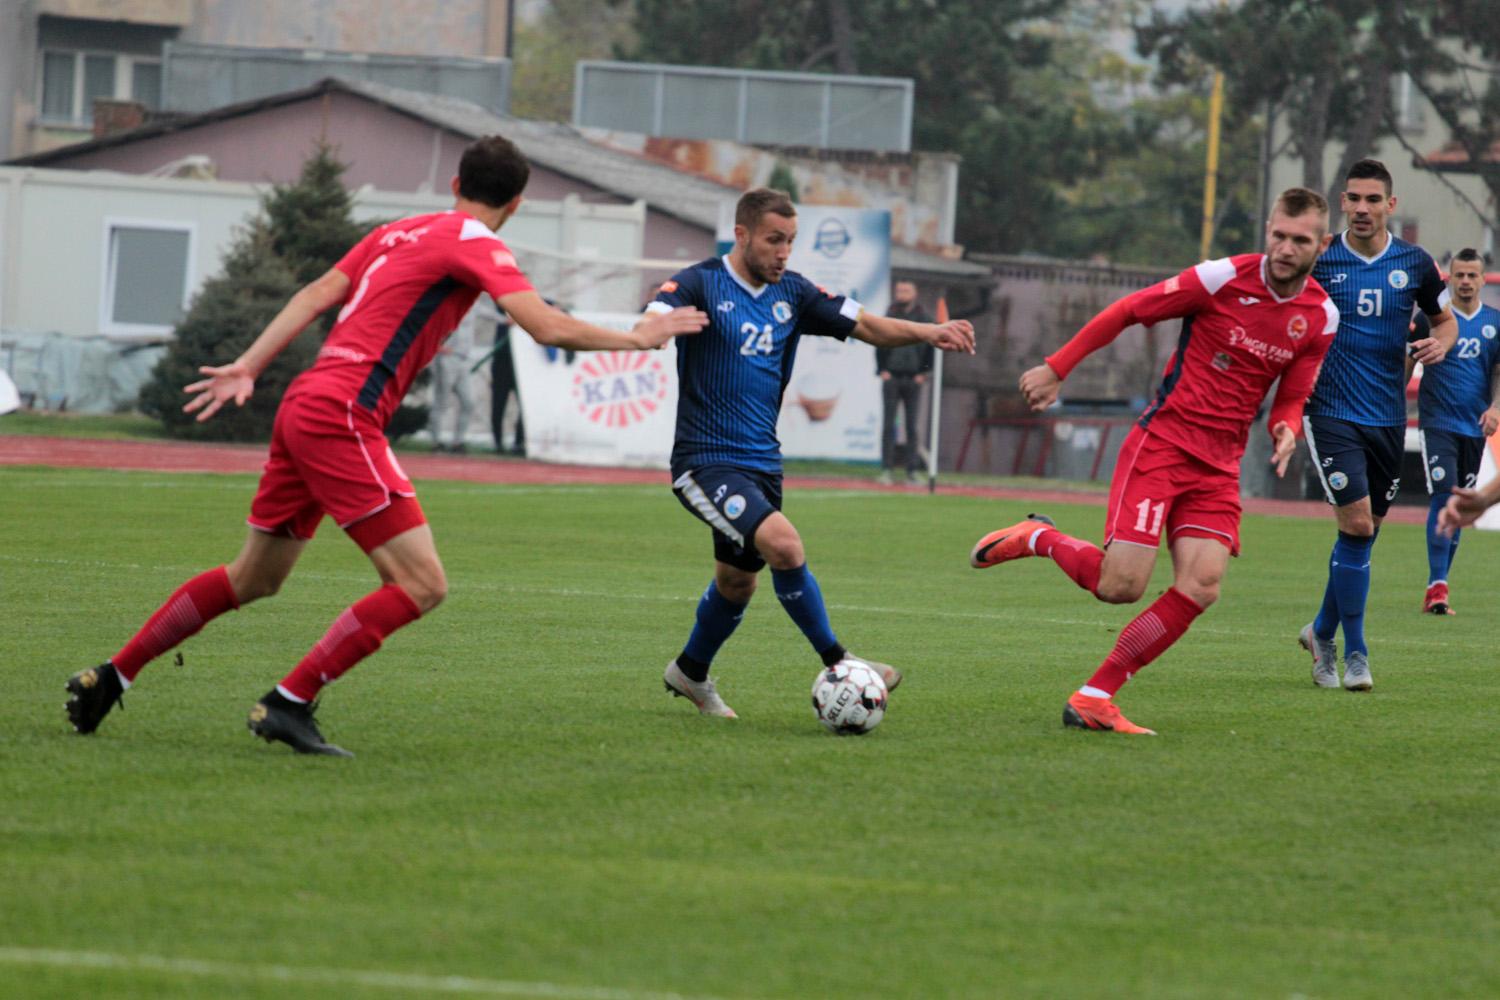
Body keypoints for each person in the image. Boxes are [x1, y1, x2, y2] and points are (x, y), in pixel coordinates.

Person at [63, 135, 707, 755]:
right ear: (516, 205)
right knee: (421, 583)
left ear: (456, 184)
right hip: (343, 414)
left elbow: (317, 294)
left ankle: (111, 676)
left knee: (254, 577)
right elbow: (541, 324)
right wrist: (639, 337)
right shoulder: (476, 240)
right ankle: (290, 700)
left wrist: (249, 364)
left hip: (304, 404)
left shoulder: (397, 231)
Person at [969, 187, 1340, 735]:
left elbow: (1290, 395)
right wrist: (1057, 366)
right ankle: (1037, 538)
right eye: (1279, 235)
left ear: (1321, 245)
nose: (1286, 248)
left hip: (1219, 465)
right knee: (1121, 586)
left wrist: (1285, 428)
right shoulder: (1219, 279)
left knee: (1203, 584)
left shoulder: (1320, 317)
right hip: (1163, 445)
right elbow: (1129, 310)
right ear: (1267, 230)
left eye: (1300, 240)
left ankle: (1096, 695)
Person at [647, 187, 975, 718]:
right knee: (785, 544)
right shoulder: (700, 283)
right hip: (704, 462)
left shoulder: (794, 294)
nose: (783, 252)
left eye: (791, 242)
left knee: (737, 583)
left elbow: (866, 324)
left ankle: (689, 672)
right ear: (742, 235)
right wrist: (653, 329)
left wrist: (929, 331)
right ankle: (840, 661)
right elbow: (656, 313)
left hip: (761, 464)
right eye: (774, 240)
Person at [1297, 159, 1455, 691]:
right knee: (1358, 526)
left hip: (1388, 416)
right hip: (1331, 411)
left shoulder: (1414, 262)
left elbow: (1445, 319)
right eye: (1353, 199)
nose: (1362, 208)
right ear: (1342, 203)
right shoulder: (1321, 259)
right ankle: (1355, 653)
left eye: (1373, 200)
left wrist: (1442, 342)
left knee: (1362, 537)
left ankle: (1321, 631)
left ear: (1391, 205)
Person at [1415, 248, 1500, 614]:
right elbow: (1408, 359)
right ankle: (1438, 585)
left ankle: (1439, 584)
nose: (1466, 281)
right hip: (1437, 423)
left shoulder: (1495, 323)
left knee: (1461, 500)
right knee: (1442, 494)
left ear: (1483, 279)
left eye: (1472, 275)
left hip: (1473, 426)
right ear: (1449, 278)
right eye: (1459, 275)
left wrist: (1495, 407)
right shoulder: (1430, 319)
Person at [876, 279, 935, 485]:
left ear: (914, 293)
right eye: (899, 290)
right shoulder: (890, 316)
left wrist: (924, 373)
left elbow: (931, 346)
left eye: (906, 290)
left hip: (913, 379)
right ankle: (886, 469)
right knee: (888, 424)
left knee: (912, 426)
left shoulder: (924, 318)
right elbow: (878, 340)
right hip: (891, 377)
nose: (902, 294)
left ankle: (911, 471)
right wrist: (882, 369)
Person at [427, 307, 477, 452]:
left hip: (463, 359)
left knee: (468, 401)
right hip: (446, 359)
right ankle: (436, 441)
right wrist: (436, 345)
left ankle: (458, 441)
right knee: (442, 401)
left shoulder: (475, 305)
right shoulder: (448, 303)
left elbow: (494, 313)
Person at [486, 314, 525, 455]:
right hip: (501, 368)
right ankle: (498, 443)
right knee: (498, 406)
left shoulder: (526, 318)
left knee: (524, 407)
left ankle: (519, 442)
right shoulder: (501, 315)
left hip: (520, 370)